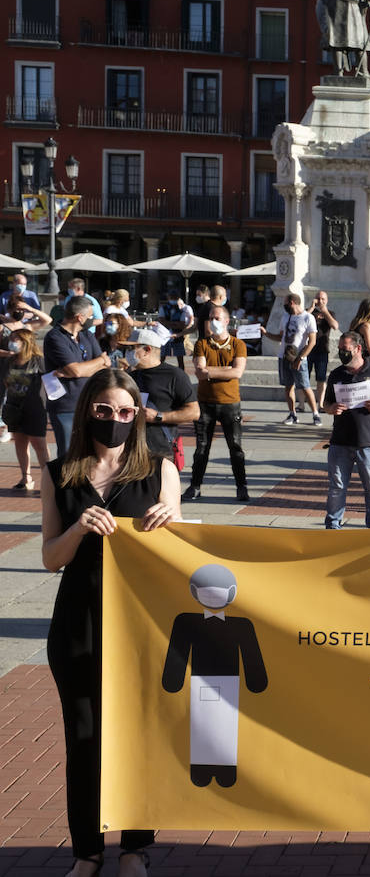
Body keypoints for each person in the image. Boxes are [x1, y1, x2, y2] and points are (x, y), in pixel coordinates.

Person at [41, 368, 180, 877]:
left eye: (125, 411)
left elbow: (182, 550)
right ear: (87, 412)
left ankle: (135, 848)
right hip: (79, 620)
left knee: (137, 734)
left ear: (138, 416)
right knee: (84, 739)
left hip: (140, 622)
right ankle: (88, 850)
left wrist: (169, 524)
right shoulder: (60, 473)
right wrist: (79, 528)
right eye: (104, 410)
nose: (115, 420)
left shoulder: (159, 470)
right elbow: (50, 558)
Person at [321, 331, 370, 529]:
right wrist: (330, 409)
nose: (342, 353)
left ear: (358, 349)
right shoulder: (337, 374)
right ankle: (332, 525)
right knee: (337, 487)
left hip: (369, 442)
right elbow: (326, 402)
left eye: (345, 350)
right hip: (340, 441)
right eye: (340, 350)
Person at [188, 305, 249, 502]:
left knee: (235, 446)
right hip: (205, 403)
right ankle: (195, 486)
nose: (212, 321)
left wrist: (210, 372)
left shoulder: (238, 344)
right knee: (201, 448)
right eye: (210, 318)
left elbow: (237, 372)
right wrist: (224, 370)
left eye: (216, 318)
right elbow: (199, 371)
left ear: (226, 321)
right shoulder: (202, 344)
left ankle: (241, 487)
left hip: (230, 403)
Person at [45, 298, 112, 458]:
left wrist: (89, 366)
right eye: (90, 316)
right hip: (65, 405)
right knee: (68, 454)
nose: (92, 319)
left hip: (90, 402)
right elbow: (75, 370)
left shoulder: (86, 335)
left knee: (91, 451)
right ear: (79, 317)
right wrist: (99, 361)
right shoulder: (55, 337)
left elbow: (105, 367)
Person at [126, 328, 200, 466]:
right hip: (132, 451)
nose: (127, 353)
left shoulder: (175, 375)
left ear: (147, 350)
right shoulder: (129, 376)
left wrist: (158, 417)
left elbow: (194, 412)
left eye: (131, 348)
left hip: (161, 452)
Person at [266, 292, 321, 425]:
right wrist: (266, 334)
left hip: (299, 357)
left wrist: (301, 357)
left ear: (292, 303)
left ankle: (315, 414)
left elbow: (312, 341)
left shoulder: (308, 318)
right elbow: (281, 337)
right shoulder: (286, 316)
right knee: (288, 386)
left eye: (285, 302)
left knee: (305, 386)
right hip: (284, 356)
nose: (283, 305)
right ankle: (292, 414)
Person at [2, 327, 47, 490]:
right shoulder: (9, 361)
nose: (11, 343)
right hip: (14, 408)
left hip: (35, 408)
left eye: (15, 340)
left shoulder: (38, 361)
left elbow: (50, 382)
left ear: (25, 342)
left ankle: (47, 479)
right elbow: (5, 381)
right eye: (11, 339)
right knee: (20, 442)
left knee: (39, 444)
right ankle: (25, 477)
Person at [309, 290, 340, 402]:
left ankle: (320, 403)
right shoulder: (309, 312)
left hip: (322, 349)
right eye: (318, 298)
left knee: (321, 378)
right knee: (304, 378)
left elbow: (335, 326)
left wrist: (325, 312)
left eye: (323, 299)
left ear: (327, 301)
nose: (320, 301)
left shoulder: (329, 313)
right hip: (307, 349)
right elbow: (301, 321)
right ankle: (301, 404)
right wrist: (312, 308)